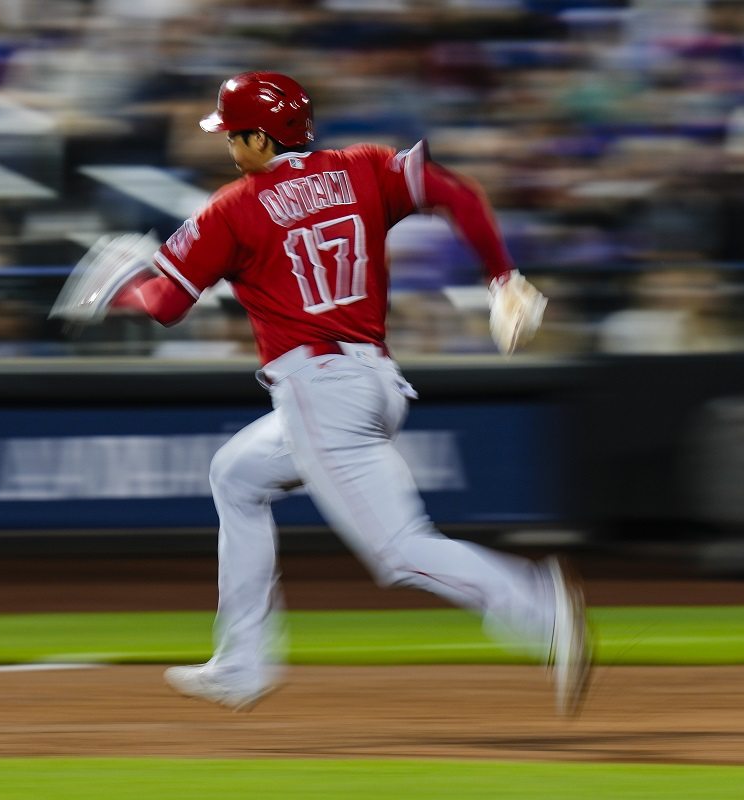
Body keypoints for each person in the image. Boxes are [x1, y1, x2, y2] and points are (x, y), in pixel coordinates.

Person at [54, 71, 591, 715]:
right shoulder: (361, 168)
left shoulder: (235, 206)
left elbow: (166, 304)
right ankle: (241, 663)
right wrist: (502, 278)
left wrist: (121, 288)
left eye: (233, 134)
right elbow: (457, 191)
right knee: (235, 476)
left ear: (261, 135)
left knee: (399, 552)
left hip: (319, 390)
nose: (228, 145)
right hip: (374, 382)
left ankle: (537, 607)